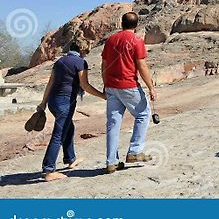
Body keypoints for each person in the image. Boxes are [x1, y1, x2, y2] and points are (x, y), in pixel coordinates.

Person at [37, 42, 105, 181]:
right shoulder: (80, 62)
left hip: (53, 102)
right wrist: (102, 95)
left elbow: (50, 83)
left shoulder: (59, 61)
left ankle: (70, 159)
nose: (86, 54)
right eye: (86, 51)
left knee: (69, 128)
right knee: (58, 134)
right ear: (82, 50)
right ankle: (48, 170)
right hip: (65, 103)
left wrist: (43, 103)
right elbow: (84, 85)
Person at [101, 12, 157, 174]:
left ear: (121, 23)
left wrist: (106, 84)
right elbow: (142, 66)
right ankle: (134, 151)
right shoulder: (136, 40)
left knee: (113, 123)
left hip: (111, 86)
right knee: (143, 114)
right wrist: (151, 87)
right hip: (129, 85)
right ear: (136, 24)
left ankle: (111, 162)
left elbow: (104, 64)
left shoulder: (111, 40)